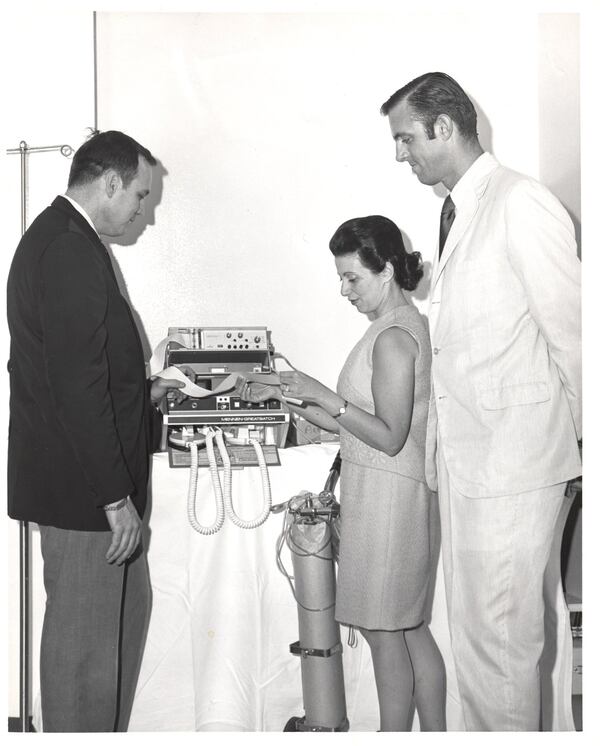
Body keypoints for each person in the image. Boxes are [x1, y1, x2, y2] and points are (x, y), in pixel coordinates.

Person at [380, 72, 581, 731]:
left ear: (444, 127)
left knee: (501, 649)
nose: (401, 155)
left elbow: (577, 340)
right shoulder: (461, 211)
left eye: (407, 139)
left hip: (516, 469)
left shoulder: (520, 203)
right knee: (478, 645)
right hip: (471, 473)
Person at [7, 130, 185, 732]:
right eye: (139, 195)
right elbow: (75, 390)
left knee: (123, 625)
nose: (143, 210)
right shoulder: (66, 249)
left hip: (94, 486)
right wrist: (114, 498)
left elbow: (86, 372)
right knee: (86, 656)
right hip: (86, 495)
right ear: (108, 182)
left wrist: (146, 395)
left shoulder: (74, 241)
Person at [243, 215, 446, 731]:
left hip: (389, 499)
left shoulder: (394, 338)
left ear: (387, 271)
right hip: (387, 492)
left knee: (385, 633)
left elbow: (389, 434)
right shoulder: (394, 328)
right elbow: (353, 425)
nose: (344, 290)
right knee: (411, 630)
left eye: (352, 278)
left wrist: (323, 395)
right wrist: (289, 396)